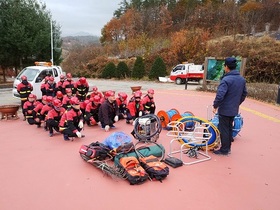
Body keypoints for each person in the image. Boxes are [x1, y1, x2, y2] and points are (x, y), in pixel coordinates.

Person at [212, 57, 247, 155]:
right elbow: (244, 93)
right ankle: (227, 148)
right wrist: (237, 103)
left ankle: (224, 150)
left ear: (226, 67)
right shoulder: (241, 79)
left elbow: (220, 95)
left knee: (223, 129)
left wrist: (215, 105)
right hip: (234, 109)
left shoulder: (226, 80)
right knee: (229, 128)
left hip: (225, 109)